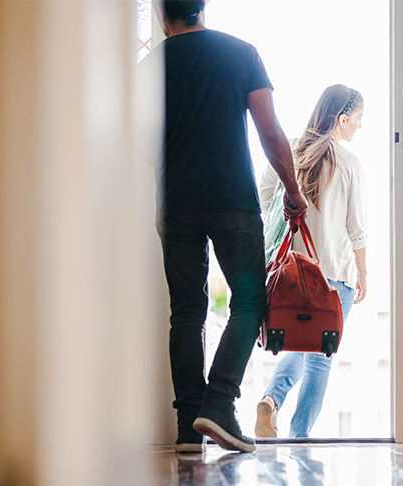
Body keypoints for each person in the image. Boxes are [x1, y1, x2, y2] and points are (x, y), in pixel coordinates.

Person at [155, 0, 307, 453]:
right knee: (249, 301)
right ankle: (218, 403)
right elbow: (271, 133)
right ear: (202, 8)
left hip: (175, 202)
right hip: (232, 200)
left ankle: (187, 427)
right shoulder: (241, 53)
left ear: (164, 13)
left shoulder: (149, 67)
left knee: (185, 311)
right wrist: (292, 190)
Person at [254, 84, 368, 439]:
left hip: (293, 274)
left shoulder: (289, 151)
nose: (360, 127)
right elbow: (357, 229)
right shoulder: (350, 164)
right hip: (335, 275)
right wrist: (363, 273)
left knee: (303, 343)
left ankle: (271, 401)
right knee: (320, 357)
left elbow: (265, 200)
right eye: (359, 120)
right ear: (342, 119)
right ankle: (299, 437)